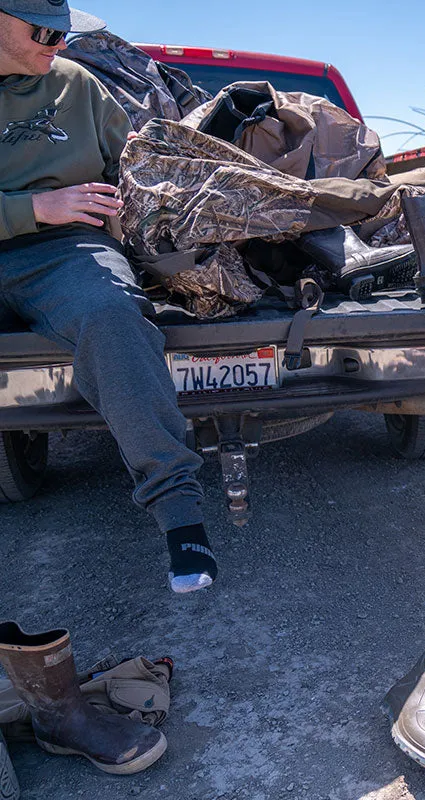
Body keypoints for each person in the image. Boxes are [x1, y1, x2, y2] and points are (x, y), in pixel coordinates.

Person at [0, 0, 217, 593]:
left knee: (113, 314)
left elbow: (139, 170)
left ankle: (181, 517)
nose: (58, 42)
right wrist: (32, 207)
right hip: (26, 226)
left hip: (63, 252)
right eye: (42, 30)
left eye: (64, 30)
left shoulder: (78, 84)